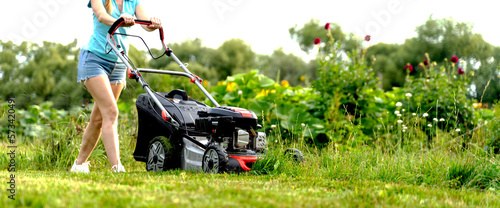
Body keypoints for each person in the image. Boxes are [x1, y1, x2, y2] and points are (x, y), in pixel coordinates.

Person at [71, 0, 162, 173]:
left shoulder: (133, 2)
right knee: (111, 112)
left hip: (119, 63)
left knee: (98, 118)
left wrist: (153, 24)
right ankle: (117, 167)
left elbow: (145, 24)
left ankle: (79, 164)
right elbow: (101, 15)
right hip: (95, 59)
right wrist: (119, 20)